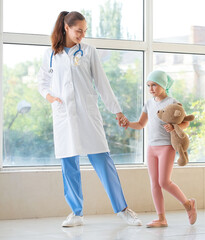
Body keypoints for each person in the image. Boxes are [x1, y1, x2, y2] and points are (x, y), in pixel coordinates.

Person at [37, 11, 142, 227]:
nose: (82, 35)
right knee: (69, 164)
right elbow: (41, 82)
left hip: (88, 114)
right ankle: (76, 213)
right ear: (66, 27)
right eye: (78, 31)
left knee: (103, 160)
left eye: (85, 31)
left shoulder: (88, 51)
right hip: (64, 114)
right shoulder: (51, 54)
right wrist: (50, 97)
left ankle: (122, 209)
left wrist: (117, 111)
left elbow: (102, 83)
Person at [125, 70, 197, 228]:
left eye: (154, 85)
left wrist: (173, 126)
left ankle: (188, 205)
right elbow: (140, 124)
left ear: (163, 85)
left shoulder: (172, 102)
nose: (151, 88)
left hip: (166, 147)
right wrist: (127, 123)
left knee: (164, 182)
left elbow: (185, 122)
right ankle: (161, 218)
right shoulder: (149, 104)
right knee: (155, 184)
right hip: (152, 147)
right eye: (149, 85)